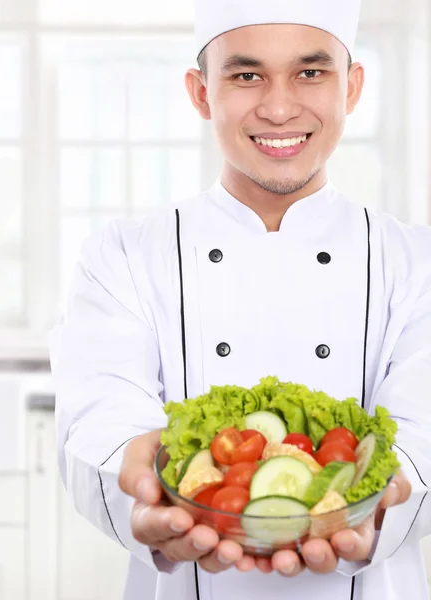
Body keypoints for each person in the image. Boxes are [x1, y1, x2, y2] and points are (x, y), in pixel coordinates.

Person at [49, 0, 431, 598]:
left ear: (352, 87)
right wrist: (144, 490)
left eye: (311, 72)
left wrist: (377, 504)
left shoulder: (417, 263)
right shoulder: (123, 256)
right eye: (246, 75)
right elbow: (100, 419)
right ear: (201, 93)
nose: (279, 108)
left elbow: (422, 432)